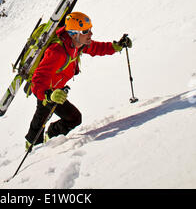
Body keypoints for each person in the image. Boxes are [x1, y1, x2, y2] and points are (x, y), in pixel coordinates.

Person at [25, 12, 132, 149]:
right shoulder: (56, 51)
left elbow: (96, 48)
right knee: (41, 117)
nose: (91, 34)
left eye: (90, 29)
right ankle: (32, 147)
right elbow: (38, 79)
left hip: (58, 91)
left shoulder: (78, 44)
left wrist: (116, 47)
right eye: (86, 31)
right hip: (47, 92)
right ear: (74, 33)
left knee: (74, 118)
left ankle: (50, 136)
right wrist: (48, 95)